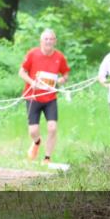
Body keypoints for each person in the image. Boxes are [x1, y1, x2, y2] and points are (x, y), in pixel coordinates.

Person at [19, 28, 70, 164]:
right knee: (33, 131)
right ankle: (36, 142)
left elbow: (65, 74)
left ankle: (47, 158)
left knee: (52, 128)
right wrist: (32, 82)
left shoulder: (59, 57)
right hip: (33, 97)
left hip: (50, 98)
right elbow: (22, 72)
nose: (48, 41)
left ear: (55, 41)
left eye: (51, 39)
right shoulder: (32, 54)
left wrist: (61, 80)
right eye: (46, 39)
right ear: (41, 41)